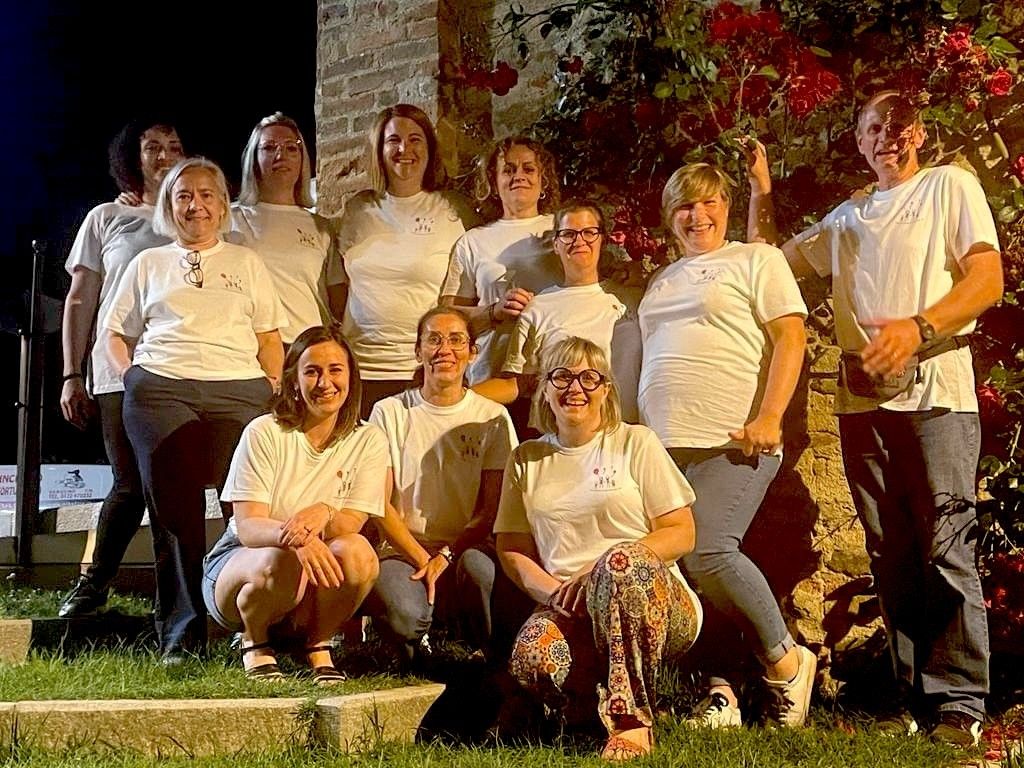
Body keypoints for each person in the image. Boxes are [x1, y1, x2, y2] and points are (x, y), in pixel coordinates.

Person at [746, 91, 1003, 747]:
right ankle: (905, 698)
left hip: (938, 392)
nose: (886, 136)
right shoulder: (845, 217)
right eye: (872, 128)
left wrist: (918, 328)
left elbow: (986, 280)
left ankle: (960, 705)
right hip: (862, 399)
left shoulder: (950, 186)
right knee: (889, 553)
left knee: (946, 548)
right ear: (858, 142)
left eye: (897, 124)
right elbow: (764, 266)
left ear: (918, 132)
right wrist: (760, 191)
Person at [638, 162, 813, 728]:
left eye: (709, 202)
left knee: (709, 549)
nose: (698, 215)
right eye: (685, 206)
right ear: (670, 217)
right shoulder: (662, 278)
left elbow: (791, 337)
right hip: (664, 443)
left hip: (732, 437)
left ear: (727, 207)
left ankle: (787, 662)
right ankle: (720, 693)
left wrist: (770, 415)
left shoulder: (756, 260)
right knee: (685, 569)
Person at [102, 157, 286, 663]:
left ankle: (251, 623)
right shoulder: (148, 263)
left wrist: (270, 383)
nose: (195, 205)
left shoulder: (246, 262)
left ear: (223, 205)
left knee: (246, 509)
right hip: (163, 388)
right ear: (169, 206)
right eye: (184, 195)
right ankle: (181, 635)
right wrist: (132, 377)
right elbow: (114, 332)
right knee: (174, 513)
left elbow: (269, 336)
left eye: (207, 194)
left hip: (238, 388)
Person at [495, 337, 702, 761]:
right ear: (544, 389)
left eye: (590, 378)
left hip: (650, 602)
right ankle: (584, 714)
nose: (576, 388)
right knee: (533, 657)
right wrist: (553, 593)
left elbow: (681, 532)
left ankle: (632, 722)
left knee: (621, 563)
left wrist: (599, 572)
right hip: (570, 605)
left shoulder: (635, 442)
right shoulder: (526, 459)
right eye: (562, 377)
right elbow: (512, 547)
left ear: (605, 390)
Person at [203, 325, 384, 682]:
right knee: (281, 557)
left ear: (351, 377)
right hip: (244, 563)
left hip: (310, 573)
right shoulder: (264, 432)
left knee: (359, 552)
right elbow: (249, 526)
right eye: (312, 371)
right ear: (294, 381)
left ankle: (318, 643)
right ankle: (254, 642)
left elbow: (351, 522)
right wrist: (296, 537)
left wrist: (325, 511)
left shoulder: (368, 439)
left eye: (335, 370)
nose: (325, 383)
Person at [58, 118, 185, 618]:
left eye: (174, 146)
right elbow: (80, 298)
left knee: (172, 487)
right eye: (152, 147)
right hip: (117, 370)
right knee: (130, 483)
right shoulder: (107, 217)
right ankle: (92, 585)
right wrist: (71, 374)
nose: (164, 155)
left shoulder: (194, 214)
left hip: (179, 368)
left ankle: (178, 603)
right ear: (132, 156)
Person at [365, 307, 525, 665]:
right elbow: (379, 502)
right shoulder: (389, 412)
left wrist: (447, 555)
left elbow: (491, 509)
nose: (445, 350)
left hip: (466, 548)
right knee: (406, 618)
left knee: (482, 572)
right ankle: (416, 637)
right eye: (434, 340)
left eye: (456, 340)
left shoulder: (492, 416)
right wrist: (424, 559)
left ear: (472, 352)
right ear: (418, 351)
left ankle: (487, 655)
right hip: (403, 549)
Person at [328, 104, 474, 418]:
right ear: (379, 150)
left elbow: (465, 291)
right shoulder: (358, 209)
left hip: (424, 371)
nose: (404, 149)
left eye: (415, 139)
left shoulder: (452, 210)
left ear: (430, 148)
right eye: (393, 140)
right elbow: (340, 286)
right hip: (359, 369)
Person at [474, 201, 642, 423]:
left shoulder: (633, 298)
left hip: (621, 431)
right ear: (555, 244)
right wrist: (456, 398)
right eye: (568, 234)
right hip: (558, 432)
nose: (579, 241)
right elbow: (518, 383)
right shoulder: (538, 307)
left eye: (589, 232)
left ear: (602, 239)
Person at [439, 136, 563, 391]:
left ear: (544, 181)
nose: (519, 176)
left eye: (528, 169)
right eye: (508, 170)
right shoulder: (472, 241)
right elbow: (448, 317)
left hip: (557, 374)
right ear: (494, 184)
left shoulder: (563, 230)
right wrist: (494, 311)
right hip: (492, 376)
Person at [230, 112, 335, 347]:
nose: (281, 155)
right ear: (253, 159)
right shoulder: (230, 219)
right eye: (269, 148)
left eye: (291, 148)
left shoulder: (320, 227)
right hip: (252, 347)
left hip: (308, 348)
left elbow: (337, 300)